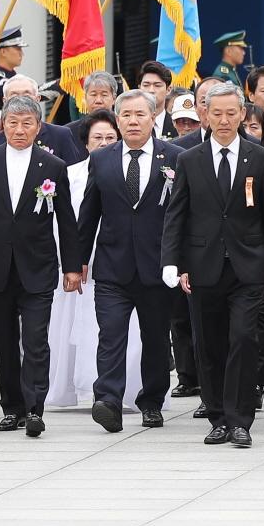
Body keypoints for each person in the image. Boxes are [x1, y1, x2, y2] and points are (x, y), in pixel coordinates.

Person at [159, 83, 264, 447]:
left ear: (243, 115)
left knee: (244, 339)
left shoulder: (260, 158)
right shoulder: (189, 159)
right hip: (203, 266)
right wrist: (172, 261)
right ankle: (217, 416)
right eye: (217, 113)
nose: (225, 120)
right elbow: (176, 216)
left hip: (248, 266)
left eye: (232, 113)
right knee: (209, 344)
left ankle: (240, 419)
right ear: (205, 115)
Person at [0, 94, 80, 438]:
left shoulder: (52, 167)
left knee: (36, 340)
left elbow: (66, 220)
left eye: (27, 124)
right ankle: (12, 408)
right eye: (12, 123)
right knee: (4, 342)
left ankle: (35, 408)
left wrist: (72, 267)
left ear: (38, 127)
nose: (19, 130)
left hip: (38, 266)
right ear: (2, 125)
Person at [76, 89, 182, 432]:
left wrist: (181, 263)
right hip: (112, 267)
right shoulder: (102, 159)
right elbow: (88, 214)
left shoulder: (176, 158)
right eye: (126, 115)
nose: (133, 121)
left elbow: (183, 216)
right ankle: (107, 399)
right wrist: (76, 261)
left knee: (154, 338)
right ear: (117, 119)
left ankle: (151, 402)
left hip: (158, 268)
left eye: (140, 115)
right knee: (111, 335)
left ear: (153, 118)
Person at [46, 111, 118, 410]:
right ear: (86, 143)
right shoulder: (70, 174)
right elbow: (60, 223)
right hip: (76, 264)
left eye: (110, 138)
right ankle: (68, 388)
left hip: (113, 261)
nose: (103, 143)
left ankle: (111, 389)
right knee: (68, 325)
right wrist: (72, 260)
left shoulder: (124, 171)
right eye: (97, 138)